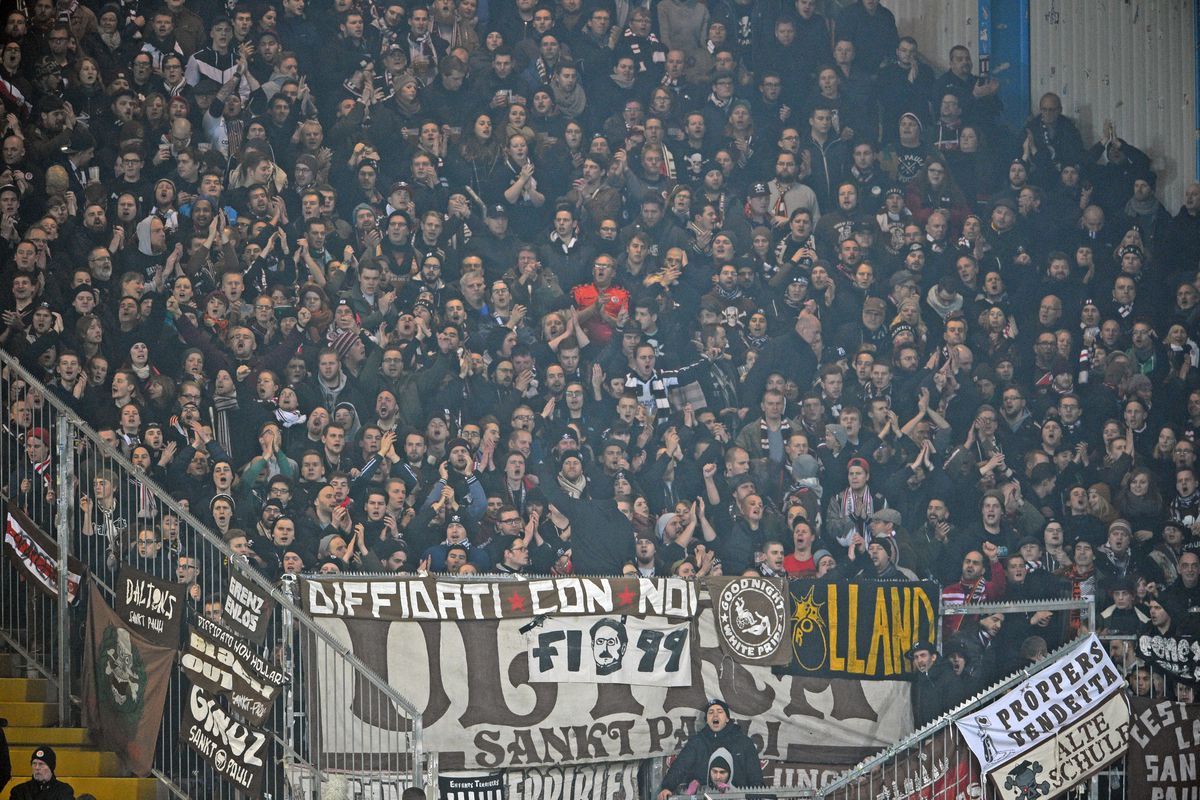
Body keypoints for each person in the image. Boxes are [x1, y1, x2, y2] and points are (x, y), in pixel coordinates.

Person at [658, 699, 763, 798]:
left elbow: (755, 775)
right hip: (703, 796)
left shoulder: (743, 742)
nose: (715, 715)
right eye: (711, 712)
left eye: (720, 711)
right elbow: (680, 765)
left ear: (727, 719)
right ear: (707, 720)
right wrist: (667, 787)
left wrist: (758, 796)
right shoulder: (697, 742)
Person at [9, 747, 74, 799]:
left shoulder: (64, 791)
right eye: (34, 763)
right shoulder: (19, 791)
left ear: (51, 767)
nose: (37, 768)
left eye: (41, 764)